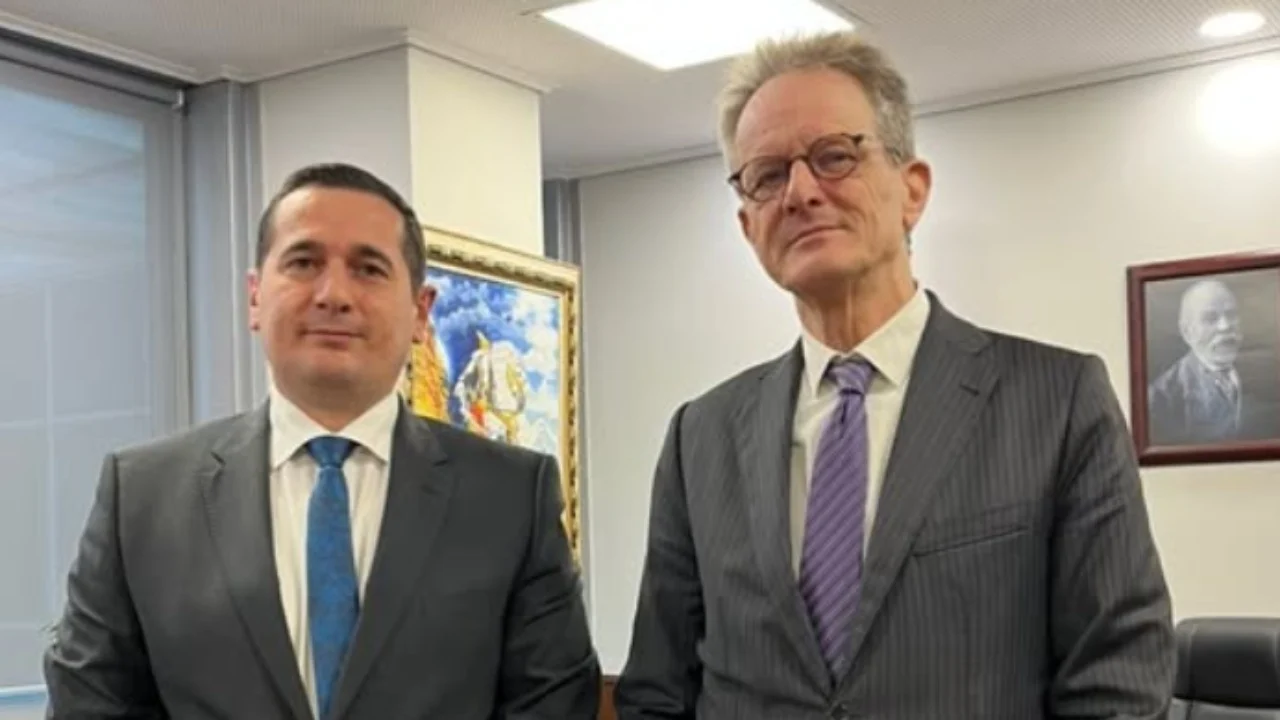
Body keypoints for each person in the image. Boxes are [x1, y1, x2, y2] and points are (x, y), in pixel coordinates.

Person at [612, 31, 1174, 719]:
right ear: (748, 225)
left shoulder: (1057, 403)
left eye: (834, 157)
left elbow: (1117, 679)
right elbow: (659, 690)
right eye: (767, 176)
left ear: (913, 190)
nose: (800, 192)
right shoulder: (700, 436)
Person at [43, 163, 601, 719]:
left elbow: (551, 706)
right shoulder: (142, 497)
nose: (334, 294)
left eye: (369, 269)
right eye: (304, 263)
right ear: (255, 297)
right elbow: (90, 705)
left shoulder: (509, 497)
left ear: (420, 312)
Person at [1148, 277, 1280, 445]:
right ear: (1187, 331)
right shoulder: (1162, 397)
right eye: (1210, 318)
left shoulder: (1269, 375)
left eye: (1231, 315)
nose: (1225, 326)